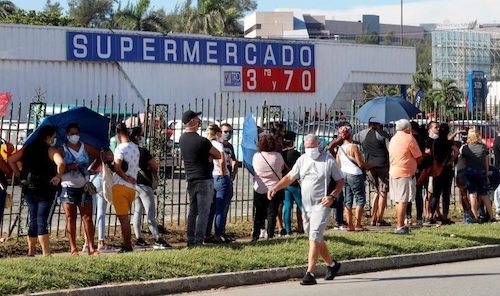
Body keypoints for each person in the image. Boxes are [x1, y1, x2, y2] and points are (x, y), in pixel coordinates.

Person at [269, 134, 345, 285]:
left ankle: (310, 273)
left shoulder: (328, 160)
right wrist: (276, 188)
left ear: (319, 145)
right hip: (306, 206)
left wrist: (332, 196)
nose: (310, 149)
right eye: (307, 147)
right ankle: (332, 264)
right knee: (314, 236)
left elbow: (340, 180)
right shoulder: (302, 160)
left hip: (321, 205)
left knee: (315, 235)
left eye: (313, 146)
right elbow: (290, 177)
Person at [8, 125, 65, 256]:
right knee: (42, 219)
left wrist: (17, 173)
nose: (54, 139)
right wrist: (58, 176)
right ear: (48, 137)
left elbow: (11, 160)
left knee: (33, 218)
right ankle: (46, 253)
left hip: (29, 188)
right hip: (45, 188)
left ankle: (31, 251)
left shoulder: (28, 148)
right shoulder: (50, 150)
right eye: (53, 137)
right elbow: (61, 163)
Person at [179, 110, 221, 247]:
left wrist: (207, 156)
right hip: (204, 178)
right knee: (204, 212)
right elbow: (218, 154)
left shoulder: (182, 139)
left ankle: (190, 239)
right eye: (197, 118)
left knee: (193, 211)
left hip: (191, 178)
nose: (199, 120)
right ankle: (198, 240)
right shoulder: (202, 141)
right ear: (192, 121)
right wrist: (209, 157)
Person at [59, 123, 100, 255]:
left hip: (84, 186)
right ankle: (73, 248)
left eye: (76, 133)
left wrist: (92, 168)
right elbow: (58, 166)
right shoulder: (62, 149)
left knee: (87, 217)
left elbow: (99, 156)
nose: (74, 136)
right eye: (72, 133)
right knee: (70, 217)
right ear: (67, 135)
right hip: (68, 186)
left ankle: (91, 247)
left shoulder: (85, 147)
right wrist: (69, 167)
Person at [129, 127, 172, 249]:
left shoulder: (127, 150)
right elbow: (154, 165)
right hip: (144, 184)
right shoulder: (142, 151)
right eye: (141, 136)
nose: (142, 138)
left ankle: (139, 238)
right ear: (137, 137)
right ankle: (157, 238)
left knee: (137, 211)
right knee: (150, 212)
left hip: (133, 183)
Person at [354, 120, 391, 226]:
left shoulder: (361, 134)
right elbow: (390, 149)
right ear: (379, 124)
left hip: (369, 165)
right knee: (383, 191)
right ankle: (379, 218)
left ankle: (373, 218)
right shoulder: (383, 134)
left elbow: (353, 140)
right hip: (382, 165)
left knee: (376, 191)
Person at [388, 119, 422, 234]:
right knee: (403, 200)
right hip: (405, 172)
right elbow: (418, 156)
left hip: (393, 171)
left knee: (398, 200)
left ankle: (400, 223)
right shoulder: (409, 138)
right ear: (407, 128)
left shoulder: (393, 138)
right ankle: (400, 226)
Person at [336, 126, 372, 231]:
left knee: (348, 200)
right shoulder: (354, 147)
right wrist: (370, 165)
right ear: (350, 134)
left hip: (344, 174)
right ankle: (358, 224)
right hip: (355, 174)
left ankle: (350, 224)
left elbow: (338, 164)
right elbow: (360, 163)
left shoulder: (340, 148)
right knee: (360, 199)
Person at [112, 123, 140, 253]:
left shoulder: (119, 148)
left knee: (123, 219)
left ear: (118, 134)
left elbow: (117, 168)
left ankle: (127, 245)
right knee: (126, 217)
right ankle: (127, 244)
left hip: (120, 186)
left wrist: (125, 177)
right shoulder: (136, 148)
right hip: (132, 188)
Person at [252, 134, 284, 241]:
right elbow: (282, 167)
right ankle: (270, 235)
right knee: (272, 213)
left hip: (259, 187)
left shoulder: (257, 156)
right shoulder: (278, 156)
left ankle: (255, 235)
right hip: (274, 187)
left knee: (259, 213)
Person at [204, 124, 232, 244]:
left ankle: (206, 233)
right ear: (217, 133)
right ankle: (218, 235)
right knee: (221, 207)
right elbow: (222, 159)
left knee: (211, 208)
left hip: (212, 176)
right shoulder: (218, 145)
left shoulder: (207, 145)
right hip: (221, 176)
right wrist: (223, 172)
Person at [460, 128, 493, 222]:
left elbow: (463, 161)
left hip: (470, 172)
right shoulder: (483, 147)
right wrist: (486, 172)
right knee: (484, 194)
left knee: (472, 194)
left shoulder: (466, 148)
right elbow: (486, 162)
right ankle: (491, 216)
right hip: (481, 172)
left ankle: (475, 216)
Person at [87, 148, 114, 252]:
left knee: (90, 213)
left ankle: (87, 242)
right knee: (101, 213)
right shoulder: (103, 150)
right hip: (100, 178)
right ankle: (101, 241)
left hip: (90, 179)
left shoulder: (87, 149)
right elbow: (111, 161)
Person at [281, 131, 304, 236]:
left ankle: (288, 229)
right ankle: (302, 227)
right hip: (295, 182)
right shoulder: (295, 154)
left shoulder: (281, 154)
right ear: (292, 142)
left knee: (287, 205)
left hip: (285, 182)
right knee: (301, 206)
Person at [220, 123, 238, 234]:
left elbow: (233, 160)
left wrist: (234, 172)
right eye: (226, 131)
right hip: (220, 177)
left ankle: (222, 231)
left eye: (230, 132)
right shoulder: (218, 145)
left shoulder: (230, 146)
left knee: (226, 206)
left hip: (228, 178)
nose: (228, 134)